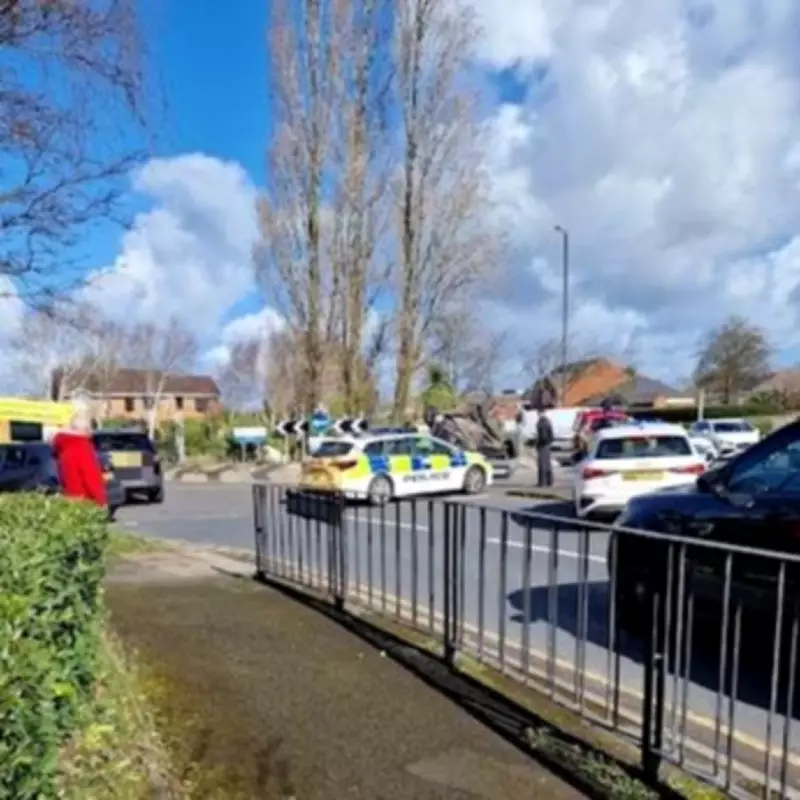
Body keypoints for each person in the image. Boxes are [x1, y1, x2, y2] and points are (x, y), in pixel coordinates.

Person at [50, 412, 107, 507]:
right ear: (85, 429)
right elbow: (91, 479)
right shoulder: (82, 447)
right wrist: (101, 502)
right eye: (89, 429)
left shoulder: (63, 447)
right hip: (86, 503)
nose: (91, 433)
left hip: (70, 501)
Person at [535, 407, 554, 487]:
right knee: (548, 463)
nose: (537, 414)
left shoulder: (541, 422)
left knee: (542, 464)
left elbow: (542, 435)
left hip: (543, 445)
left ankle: (542, 482)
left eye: (538, 413)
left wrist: (538, 443)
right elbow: (551, 435)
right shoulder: (548, 421)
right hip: (547, 444)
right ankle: (549, 481)